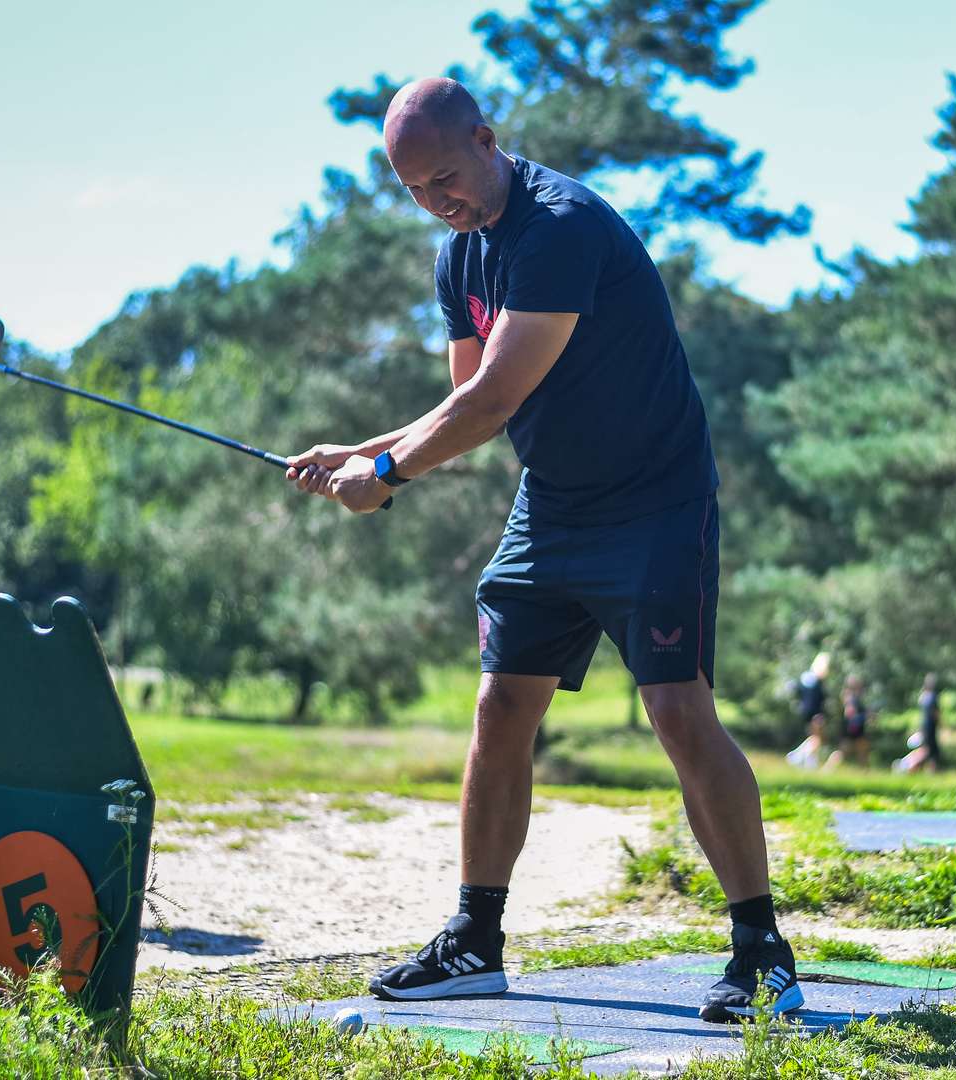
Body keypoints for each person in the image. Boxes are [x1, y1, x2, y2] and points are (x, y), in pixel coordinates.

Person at [285, 78, 799, 1021]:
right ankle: (475, 940)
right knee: (499, 704)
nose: (437, 202)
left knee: (679, 713)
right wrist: (361, 452)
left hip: (655, 503)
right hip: (553, 508)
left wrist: (387, 474)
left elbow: (491, 402)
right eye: (414, 190)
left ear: (487, 139)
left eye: (445, 176)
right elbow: (464, 406)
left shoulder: (559, 227)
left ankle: (761, 949)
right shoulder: (458, 258)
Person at [784, 652, 831, 768]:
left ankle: (809, 763)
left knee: (814, 738)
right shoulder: (818, 681)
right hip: (815, 713)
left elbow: (797, 692)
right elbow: (817, 699)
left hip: (805, 712)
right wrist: (819, 715)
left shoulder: (806, 678)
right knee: (817, 739)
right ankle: (796, 757)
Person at [894, 672, 942, 774]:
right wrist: (942, 724)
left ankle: (929, 771)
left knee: (927, 749)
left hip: (924, 726)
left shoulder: (923, 696)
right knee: (928, 751)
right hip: (931, 727)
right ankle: (908, 767)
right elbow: (935, 713)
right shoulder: (933, 696)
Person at [825, 674, 869, 769]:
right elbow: (849, 714)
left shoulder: (851, 697)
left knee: (863, 750)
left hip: (856, 730)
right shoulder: (851, 699)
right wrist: (864, 716)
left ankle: (865, 772)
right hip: (852, 730)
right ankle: (827, 769)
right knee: (842, 752)